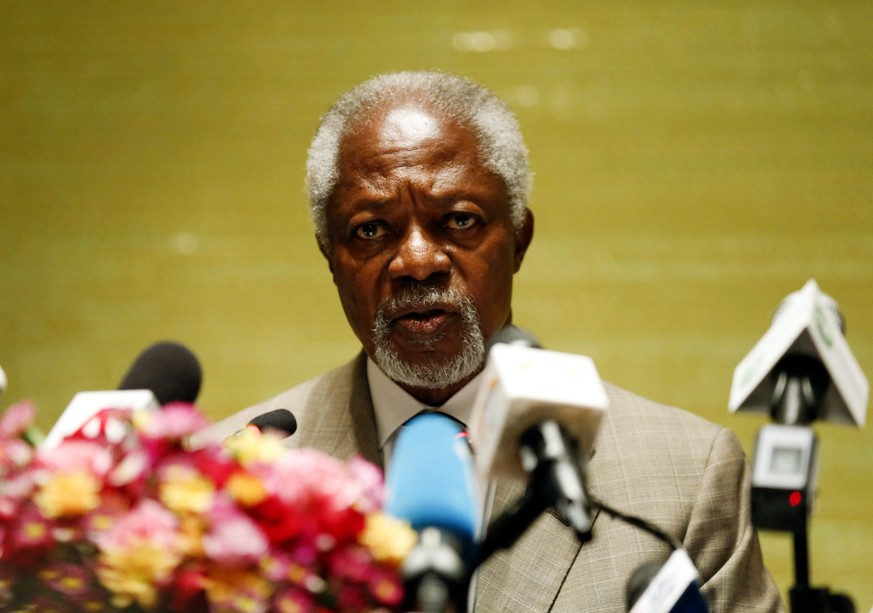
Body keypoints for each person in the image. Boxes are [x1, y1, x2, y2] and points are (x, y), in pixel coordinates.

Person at [212, 71, 784, 612]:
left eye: (458, 220)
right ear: (329, 257)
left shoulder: (683, 477)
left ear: (518, 239)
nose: (417, 262)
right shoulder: (223, 482)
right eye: (370, 230)